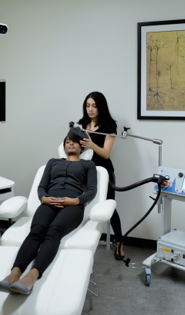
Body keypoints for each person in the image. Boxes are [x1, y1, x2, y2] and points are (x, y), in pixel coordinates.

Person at [0, 135, 97, 295]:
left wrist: (75, 201)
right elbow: (42, 186)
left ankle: (32, 276)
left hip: (73, 205)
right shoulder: (53, 162)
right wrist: (44, 198)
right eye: (67, 142)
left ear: (81, 148)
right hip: (49, 202)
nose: (70, 144)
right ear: (63, 148)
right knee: (36, 232)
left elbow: (91, 190)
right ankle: (14, 274)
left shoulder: (88, 164)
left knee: (53, 232)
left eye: (74, 142)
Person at [77, 91, 125, 260]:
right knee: (82, 205)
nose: (90, 109)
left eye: (94, 106)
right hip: (85, 171)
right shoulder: (81, 123)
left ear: (101, 107)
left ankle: (119, 241)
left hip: (104, 171)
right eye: (88, 105)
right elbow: (75, 148)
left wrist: (91, 144)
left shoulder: (110, 125)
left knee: (110, 207)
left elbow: (105, 153)